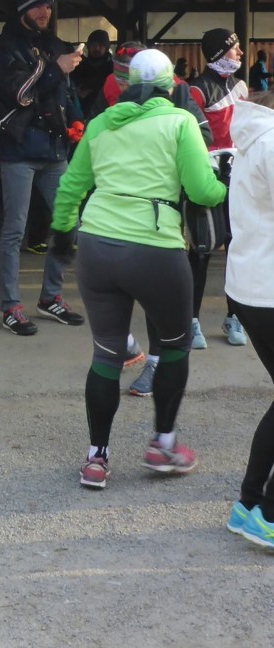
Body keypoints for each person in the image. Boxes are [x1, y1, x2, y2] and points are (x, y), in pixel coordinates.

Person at [51, 49, 227, 489]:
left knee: (107, 353)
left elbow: (72, 184)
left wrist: (60, 231)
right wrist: (226, 183)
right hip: (155, 249)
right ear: (171, 87)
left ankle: (96, 459)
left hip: (97, 245)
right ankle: (163, 445)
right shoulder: (180, 122)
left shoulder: (99, 125)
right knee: (173, 346)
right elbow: (202, 191)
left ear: (126, 85)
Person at [0, 0, 85, 335]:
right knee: (14, 230)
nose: (44, 11)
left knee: (67, 225)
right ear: (22, 9)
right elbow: (20, 94)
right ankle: (11, 306)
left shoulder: (54, 44)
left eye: (48, 5)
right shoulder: (4, 47)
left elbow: (68, 93)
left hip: (56, 150)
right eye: (37, 5)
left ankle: (50, 298)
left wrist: (78, 121)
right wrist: (55, 67)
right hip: (18, 151)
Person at [225, 91, 274, 548]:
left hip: (249, 286)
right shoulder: (273, 141)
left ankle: (249, 503)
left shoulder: (253, 139)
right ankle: (268, 516)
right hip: (267, 289)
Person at [188, 28, 248, 348]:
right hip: (207, 176)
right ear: (218, 54)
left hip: (238, 176)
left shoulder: (240, 86)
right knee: (201, 249)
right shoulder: (195, 90)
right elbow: (193, 139)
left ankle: (233, 317)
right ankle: (191, 320)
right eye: (235, 48)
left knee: (236, 246)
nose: (239, 53)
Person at [72, 28, 113, 117]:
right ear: (89, 46)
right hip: (81, 114)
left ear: (106, 48)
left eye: (100, 45)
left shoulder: (111, 67)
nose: (97, 48)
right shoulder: (79, 66)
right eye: (94, 45)